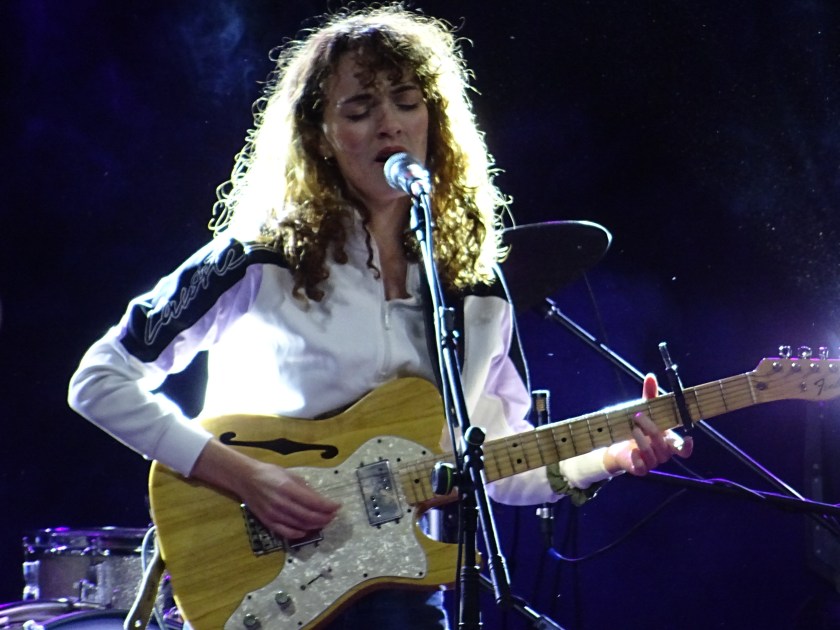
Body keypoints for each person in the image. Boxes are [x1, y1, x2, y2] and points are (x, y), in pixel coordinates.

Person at [68, 5, 692, 629]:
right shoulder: (259, 256)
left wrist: (612, 454)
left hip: (394, 588)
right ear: (320, 136)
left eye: (407, 102)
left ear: (434, 122)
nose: (389, 124)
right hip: (258, 579)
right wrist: (244, 476)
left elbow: (495, 457)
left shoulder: (474, 289)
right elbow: (99, 379)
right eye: (359, 110)